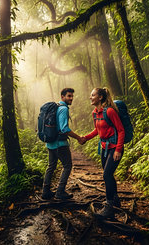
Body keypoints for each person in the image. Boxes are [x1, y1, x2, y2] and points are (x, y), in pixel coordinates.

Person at [80, 87, 125, 219]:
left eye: (93, 95)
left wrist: (118, 149)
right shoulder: (95, 113)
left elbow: (121, 130)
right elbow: (97, 130)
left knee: (106, 174)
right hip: (104, 148)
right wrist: (85, 138)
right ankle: (116, 200)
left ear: (100, 97)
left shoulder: (110, 111)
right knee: (108, 175)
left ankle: (109, 207)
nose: (90, 97)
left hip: (115, 147)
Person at [41, 88, 85, 200]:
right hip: (60, 144)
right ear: (62, 97)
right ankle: (60, 191)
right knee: (67, 166)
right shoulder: (63, 109)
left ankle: (45, 191)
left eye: (72, 96)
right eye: (69, 96)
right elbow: (64, 129)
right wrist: (78, 137)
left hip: (50, 143)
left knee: (51, 166)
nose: (71, 98)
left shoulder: (55, 107)